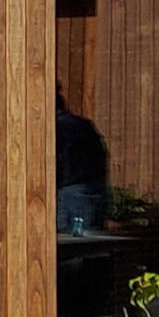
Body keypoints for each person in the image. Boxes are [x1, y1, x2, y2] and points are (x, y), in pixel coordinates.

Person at [55, 94, 111, 234]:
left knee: (70, 246)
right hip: (96, 191)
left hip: (70, 193)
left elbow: (57, 161)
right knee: (91, 245)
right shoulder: (85, 125)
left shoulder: (56, 128)